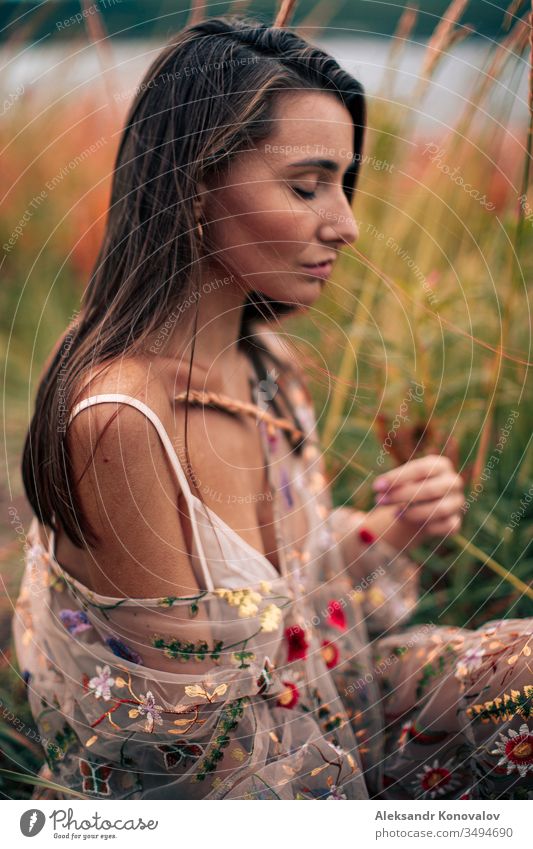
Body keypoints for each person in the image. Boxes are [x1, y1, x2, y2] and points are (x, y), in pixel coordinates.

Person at [13, 15, 533, 801]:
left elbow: (283, 591)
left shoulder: (265, 368)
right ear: (193, 184)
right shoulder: (120, 417)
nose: (345, 225)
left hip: (331, 710)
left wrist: (394, 526)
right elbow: (193, 739)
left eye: (342, 184)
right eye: (305, 185)